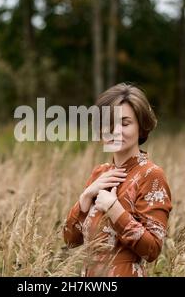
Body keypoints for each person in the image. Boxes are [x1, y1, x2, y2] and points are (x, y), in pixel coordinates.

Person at [63, 83, 173, 277]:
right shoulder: (100, 174)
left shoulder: (151, 175)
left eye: (125, 123)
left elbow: (152, 250)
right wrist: (85, 197)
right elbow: (71, 240)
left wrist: (114, 209)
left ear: (141, 126)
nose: (116, 131)